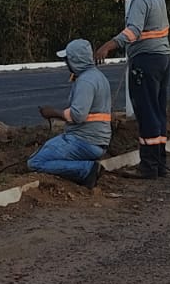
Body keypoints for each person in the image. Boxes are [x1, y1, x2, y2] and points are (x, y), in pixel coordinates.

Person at [93, 0, 170, 179]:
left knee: (146, 113)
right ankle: (159, 164)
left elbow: (133, 31)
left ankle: (148, 166)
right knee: (157, 112)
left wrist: (108, 45)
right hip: (162, 59)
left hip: (146, 61)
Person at [28, 39, 110, 188]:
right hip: (96, 141)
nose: (66, 64)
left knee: (35, 162)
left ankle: (86, 169)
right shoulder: (97, 77)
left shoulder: (86, 81)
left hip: (84, 141)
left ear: (75, 60)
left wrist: (52, 112)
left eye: (67, 60)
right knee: (46, 151)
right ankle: (84, 167)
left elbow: (78, 115)